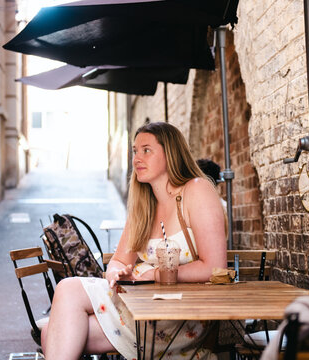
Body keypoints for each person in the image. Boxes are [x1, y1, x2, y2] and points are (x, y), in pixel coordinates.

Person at [41, 122, 227, 360]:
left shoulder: (196, 190)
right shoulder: (144, 203)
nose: (137, 158)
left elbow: (214, 268)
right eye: (134, 151)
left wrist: (156, 274)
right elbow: (118, 261)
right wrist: (116, 273)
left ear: (170, 154)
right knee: (49, 331)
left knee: (65, 296)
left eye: (146, 150)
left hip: (181, 316)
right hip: (140, 307)